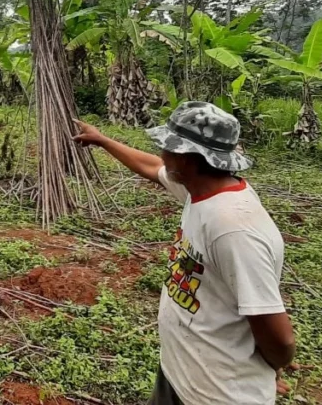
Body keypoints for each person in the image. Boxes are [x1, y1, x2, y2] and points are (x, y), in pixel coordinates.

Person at [73, 101, 295, 405]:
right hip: (183, 375)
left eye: (168, 146)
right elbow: (153, 167)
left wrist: (272, 367)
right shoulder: (201, 188)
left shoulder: (233, 228)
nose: (163, 153)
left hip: (216, 394)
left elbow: (279, 337)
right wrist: (102, 140)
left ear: (188, 158)